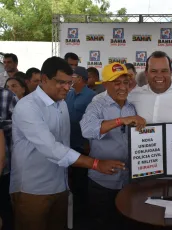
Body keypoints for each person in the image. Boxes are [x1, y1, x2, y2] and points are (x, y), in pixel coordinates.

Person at [10, 57, 126, 230]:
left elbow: (65, 142)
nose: (67, 88)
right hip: (32, 189)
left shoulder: (61, 103)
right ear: (44, 79)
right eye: (61, 83)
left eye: (69, 83)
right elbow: (52, 148)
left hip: (61, 185)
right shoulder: (28, 106)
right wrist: (95, 163)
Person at [80, 62, 146, 230]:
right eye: (117, 83)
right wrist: (120, 121)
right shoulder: (96, 105)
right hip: (103, 182)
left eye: (125, 82)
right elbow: (87, 130)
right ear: (105, 84)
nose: (123, 87)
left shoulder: (132, 106)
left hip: (128, 180)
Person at [65, 66, 96, 218]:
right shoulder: (68, 95)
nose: (71, 78)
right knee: (70, 180)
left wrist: (88, 142)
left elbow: (93, 122)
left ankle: (83, 211)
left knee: (81, 180)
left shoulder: (92, 96)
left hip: (83, 145)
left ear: (82, 79)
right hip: (68, 143)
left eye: (74, 76)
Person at [0, 87, 17, 230]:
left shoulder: (7, 95)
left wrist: (2, 124)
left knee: (4, 205)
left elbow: (18, 126)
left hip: (4, 166)